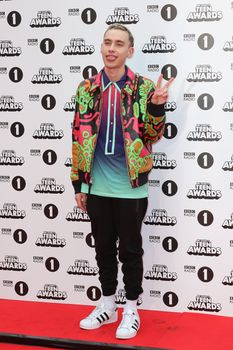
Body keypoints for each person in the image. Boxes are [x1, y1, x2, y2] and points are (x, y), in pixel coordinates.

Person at [71, 23, 173, 339]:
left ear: (130, 51)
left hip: (131, 187)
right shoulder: (86, 88)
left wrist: (157, 104)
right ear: (101, 48)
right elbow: (78, 136)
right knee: (102, 249)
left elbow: (153, 136)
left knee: (129, 249)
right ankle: (106, 305)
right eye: (107, 42)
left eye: (119, 44)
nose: (112, 48)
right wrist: (79, 184)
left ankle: (130, 308)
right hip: (97, 187)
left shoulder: (143, 88)